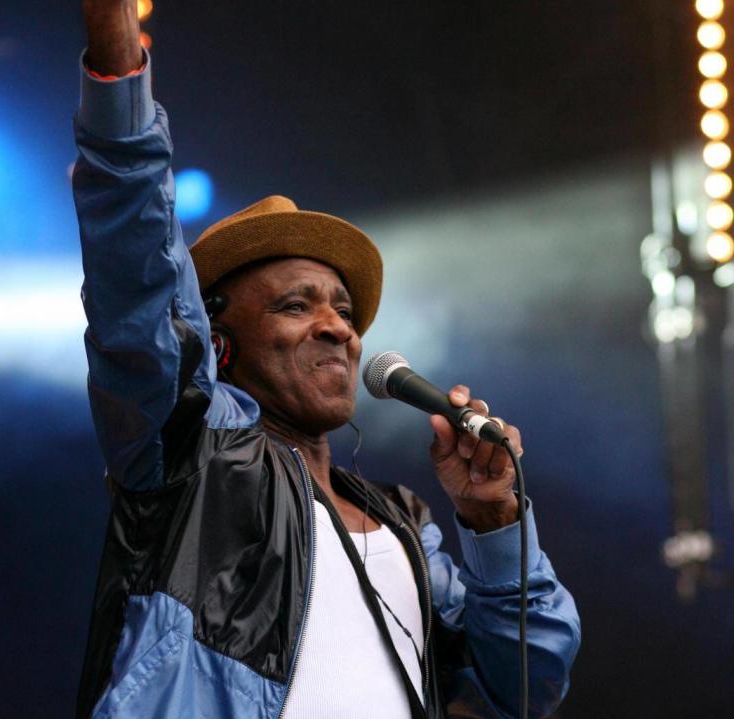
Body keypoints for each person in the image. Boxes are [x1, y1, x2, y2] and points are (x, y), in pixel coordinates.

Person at [72, 2, 580, 717]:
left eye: (344, 310)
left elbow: (528, 683)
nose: (337, 328)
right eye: (294, 305)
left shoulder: (403, 522)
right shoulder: (199, 457)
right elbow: (137, 266)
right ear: (217, 344)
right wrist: (120, 72)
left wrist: (496, 524)